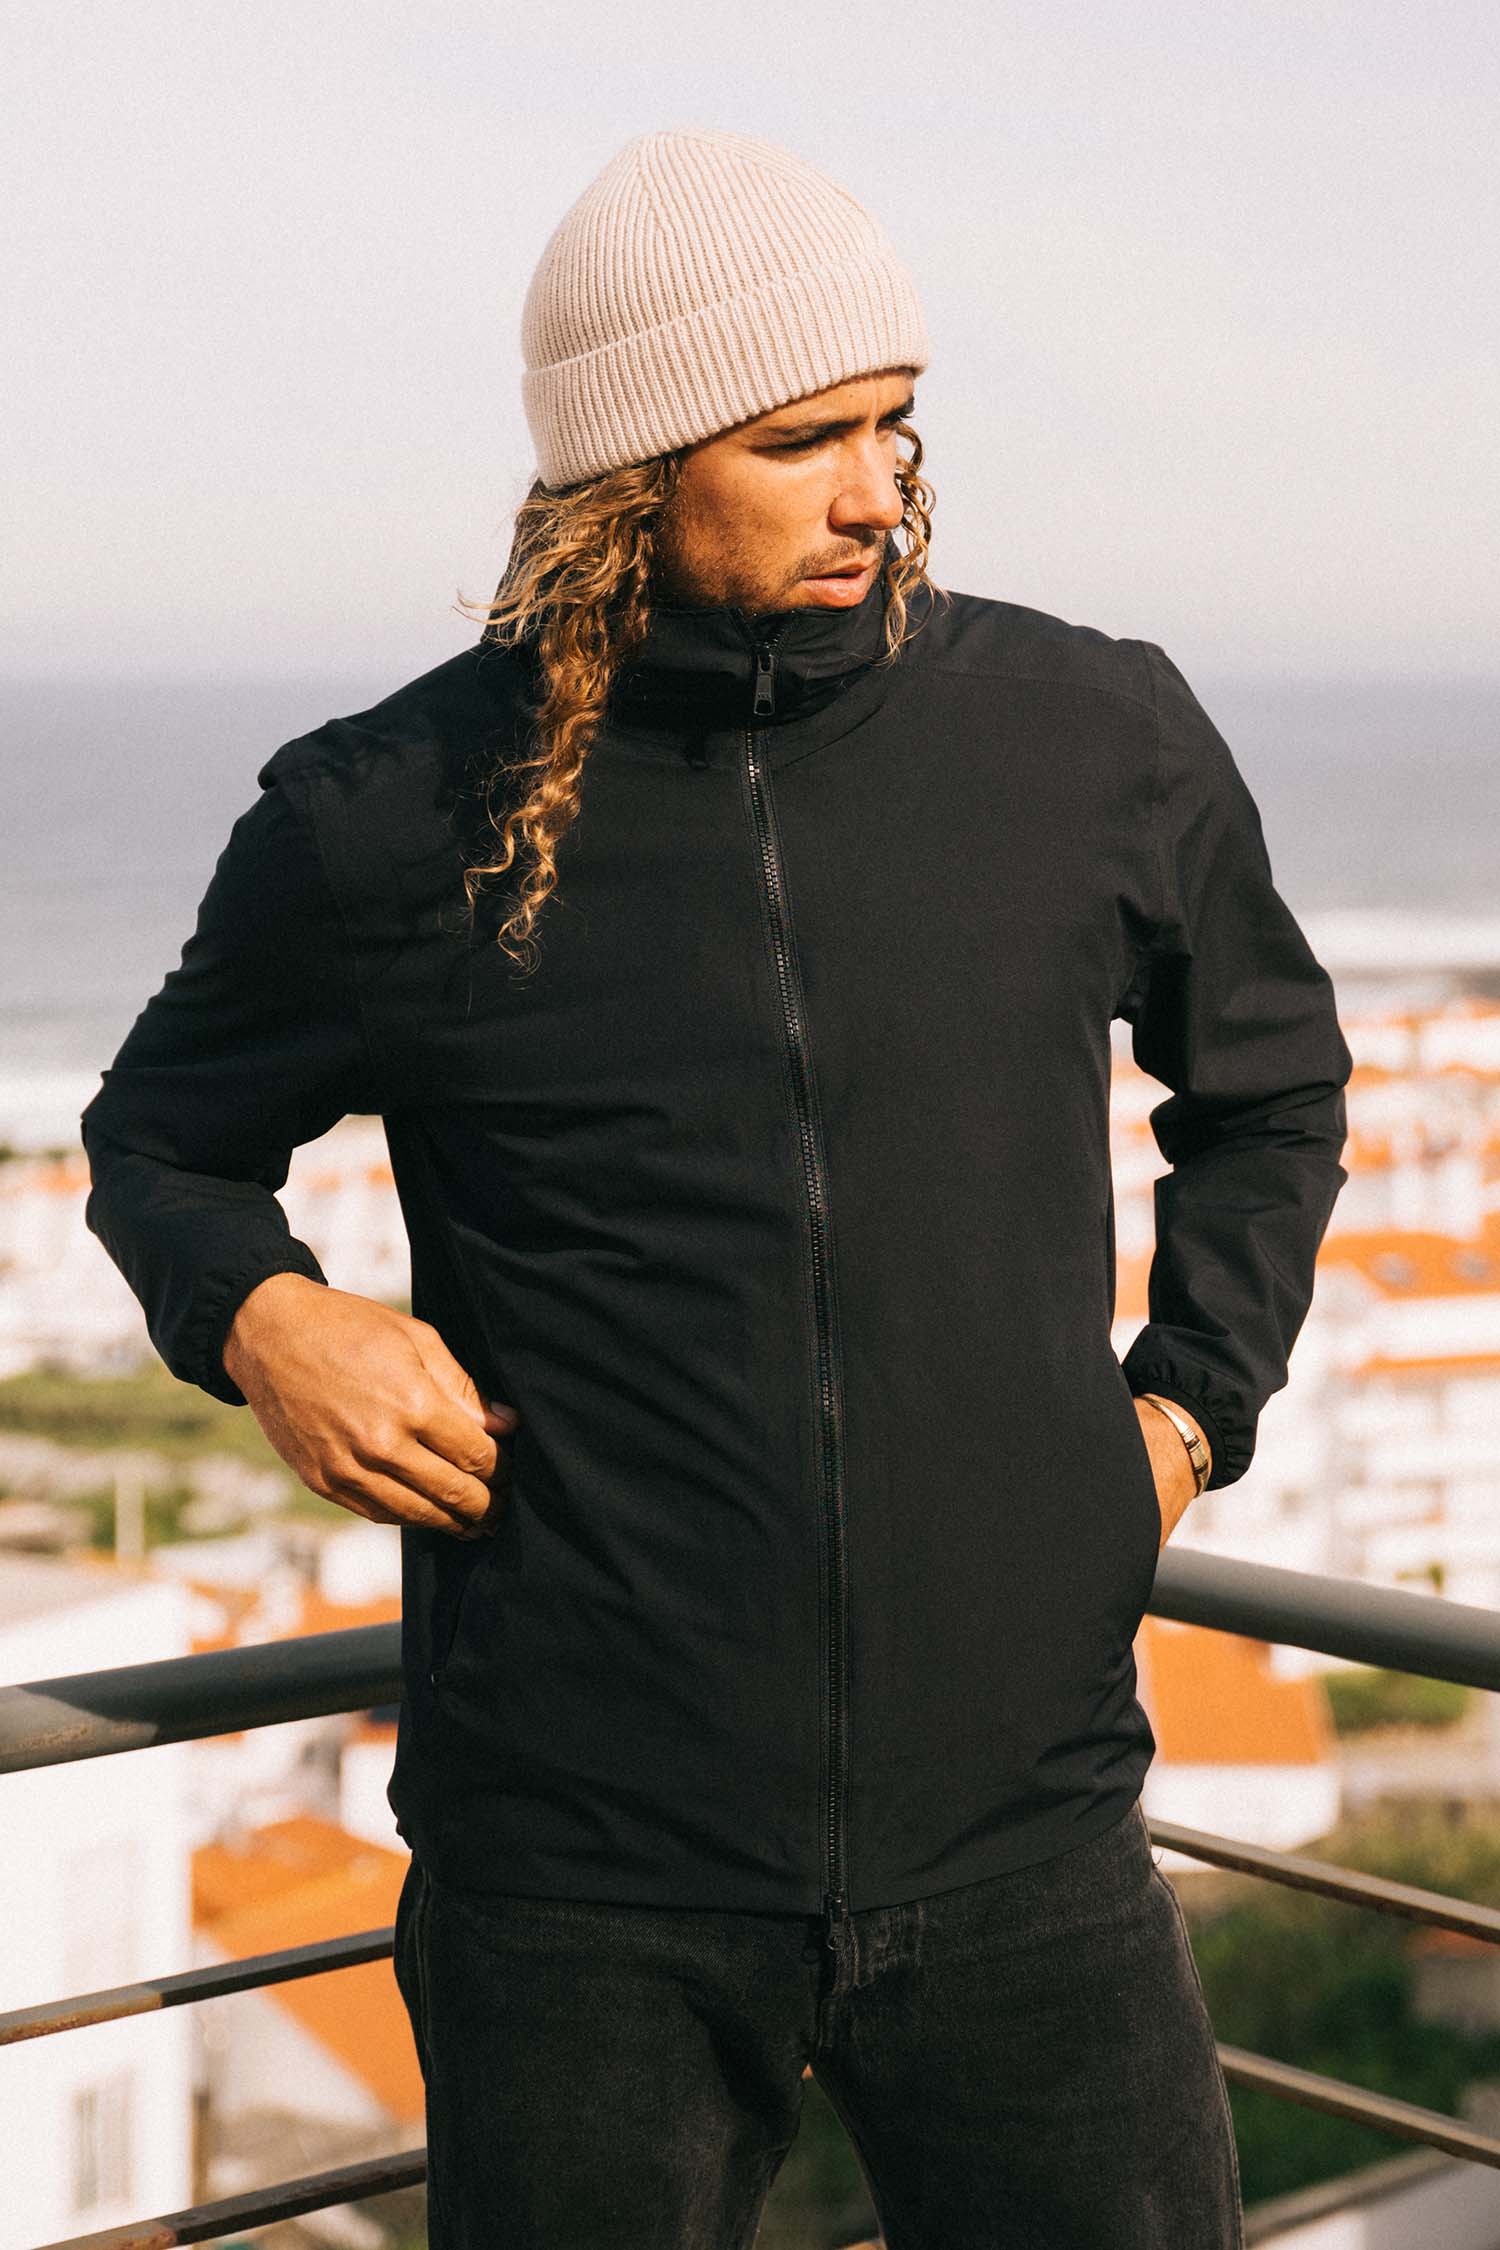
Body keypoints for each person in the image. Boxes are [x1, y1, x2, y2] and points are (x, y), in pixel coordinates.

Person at [80, 125, 1351, 2249]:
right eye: (799, 441)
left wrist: (1188, 1408)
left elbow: (1275, 1089)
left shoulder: (1090, 734)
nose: (878, 492)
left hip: (1028, 1839)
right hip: (580, 1886)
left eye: (893, 425)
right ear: (631, 469)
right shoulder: (385, 813)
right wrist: (269, 1317)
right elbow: (159, 1139)